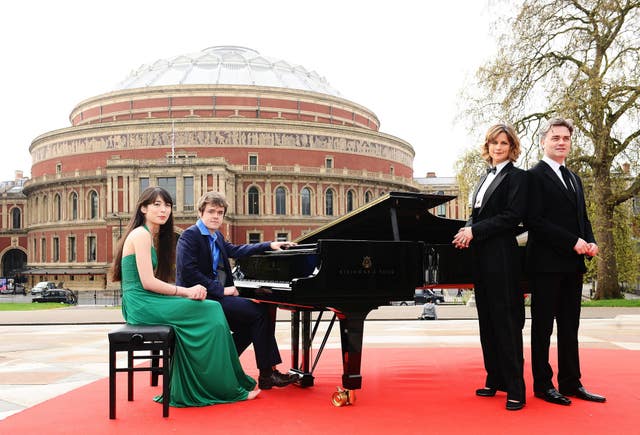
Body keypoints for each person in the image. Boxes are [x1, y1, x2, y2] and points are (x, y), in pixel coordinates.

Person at [111, 186, 260, 407]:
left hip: (145, 300)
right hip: (141, 303)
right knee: (211, 309)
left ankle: (217, 380)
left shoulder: (150, 235)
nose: (164, 210)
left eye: (168, 205)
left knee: (210, 308)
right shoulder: (141, 235)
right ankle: (220, 386)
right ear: (143, 208)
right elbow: (148, 282)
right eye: (157, 205)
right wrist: (187, 291)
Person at [176, 191, 297, 390]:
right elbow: (188, 273)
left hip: (213, 298)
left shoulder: (216, 236)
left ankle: (226, 364)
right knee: (259, 314)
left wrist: (270, 244)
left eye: (220, 212)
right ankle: (267, 374)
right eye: (211, 211)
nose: (216, 216)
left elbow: (237, 250)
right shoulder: (190, 236)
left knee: (252, 323)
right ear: (200, 213)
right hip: (198, 299)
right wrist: (222, 291)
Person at [526, 117, 606, 405]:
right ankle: (543, 385)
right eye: (555, 137)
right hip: (545, 264)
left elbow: (581, 218)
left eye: (565, 138)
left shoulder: (574, 178)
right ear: (543, 142)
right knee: (543, 327)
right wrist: (572, 242)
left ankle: (572, 383)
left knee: (570, 327)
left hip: (573, 265)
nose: (561, 142)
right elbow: (534, 221)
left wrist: (590, 240)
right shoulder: (533, 176)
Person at [452, 123, 528, 411]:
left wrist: (475, 231)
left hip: (503, 257)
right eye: (494, 143)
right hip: (481, 257)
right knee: (487, 320)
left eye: (504, 143)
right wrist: (466, 230)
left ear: (512, 148)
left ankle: (516, 389)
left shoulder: (517, 177)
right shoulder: (484, 177)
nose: (498, 147)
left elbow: (512, 217)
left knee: (506, 322)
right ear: (488, 146)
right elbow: (477, 215)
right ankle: (495, 378)